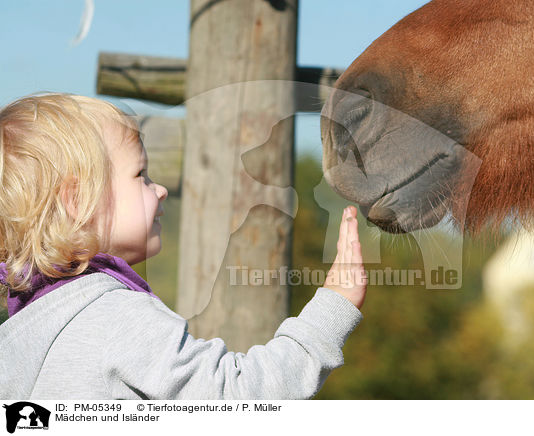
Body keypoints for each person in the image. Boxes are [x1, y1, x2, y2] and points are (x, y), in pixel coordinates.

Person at [0, 93, 368, 399]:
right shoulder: (117, 319)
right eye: (140, 175)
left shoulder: (23, 337)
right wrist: (332, 308)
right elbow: (238, 397)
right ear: (77, 201)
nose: (159, 189)